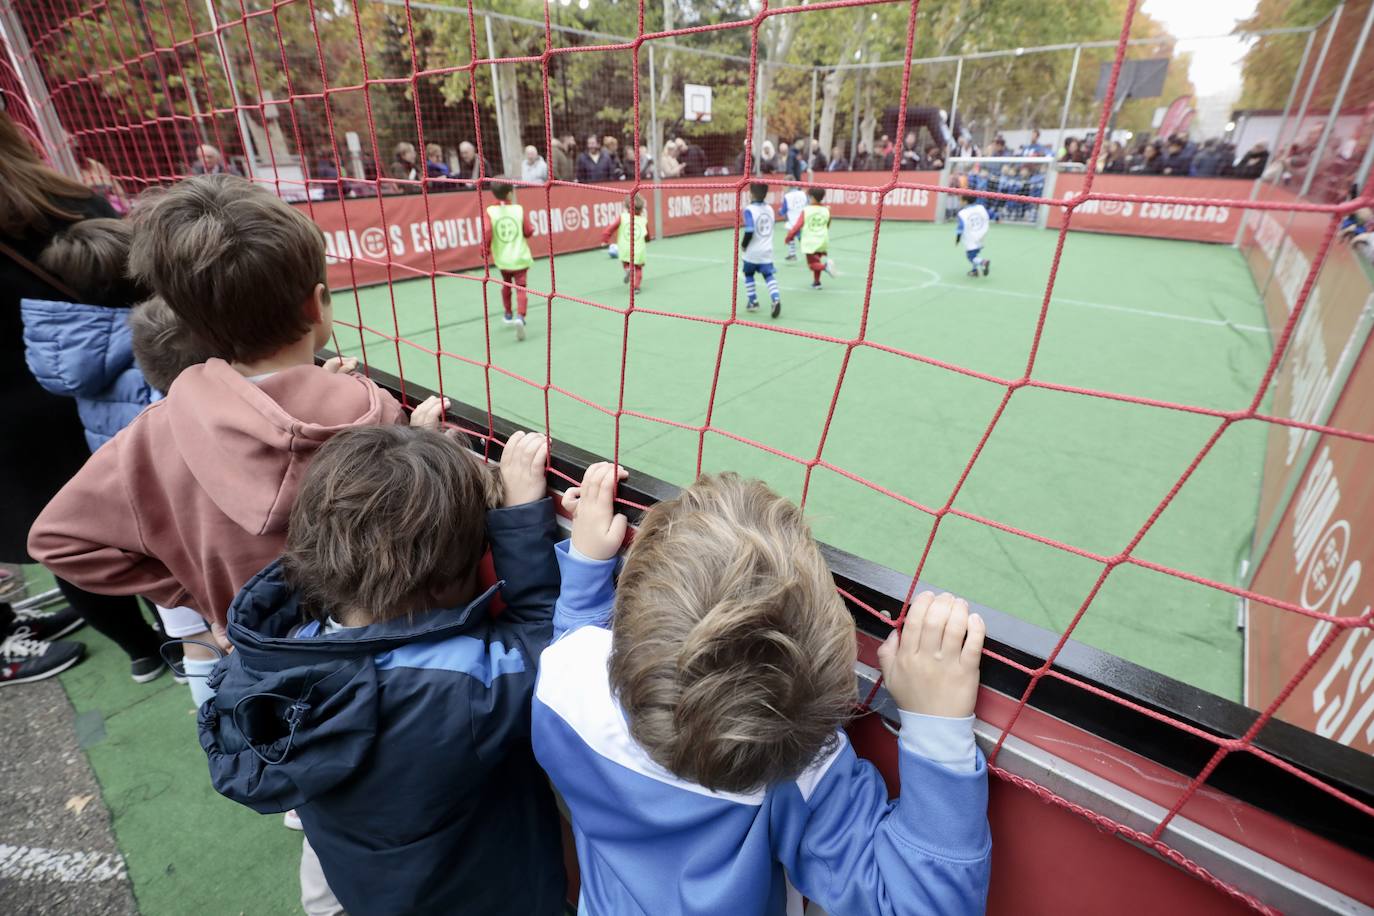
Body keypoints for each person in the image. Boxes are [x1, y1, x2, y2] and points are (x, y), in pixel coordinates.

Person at [532, 467, 992, 916]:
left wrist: (586, 570)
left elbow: (578, 647)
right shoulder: (798, 772)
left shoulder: (560, 685)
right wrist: (938, 733)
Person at [28, 174, 447, 645]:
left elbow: (56, 541)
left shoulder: (153, 437)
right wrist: (427, 444)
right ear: (318, 305)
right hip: (390, 657)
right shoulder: (378, 414)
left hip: (259, 671)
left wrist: (203, 596)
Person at [201, 425, 566, 916]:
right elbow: (542, 641)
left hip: (368, 886)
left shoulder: (273, 652)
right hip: (484, 895)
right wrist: (521, 519)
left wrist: (410, 466)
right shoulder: (456, 688)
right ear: (445, 582)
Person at [0, 110, 163, 688]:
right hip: (114, 387)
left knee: (66, 535)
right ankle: (176, 623)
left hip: (19, 422)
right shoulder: (75, 204)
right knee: (146, 515)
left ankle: (143, 649)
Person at [482, 181, 535, 342]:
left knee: (506, 285)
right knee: (521, 287)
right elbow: (528, 231)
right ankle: (520, 316)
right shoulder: (518, 209)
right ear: (510, 193)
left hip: (503, 259)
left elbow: (487, 232)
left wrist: (484, 250)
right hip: (520, 257)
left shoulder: (490, 211)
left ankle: (508, 313)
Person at [740, 182, 782, 319]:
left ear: (751, 193)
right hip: (767, 250)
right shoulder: (770, 209)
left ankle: (753, 301)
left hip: (752, 251)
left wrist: (744, 244)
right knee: (769, 275)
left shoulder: (749, 210)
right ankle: (775, 298)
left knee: (749, 274)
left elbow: (750, 230)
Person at [784, 186, 836, 290]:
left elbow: (798, 226)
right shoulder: (826, 210)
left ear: (811, 197)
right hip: (822, 240)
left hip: (810, 241)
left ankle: (825, 267)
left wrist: (789, 237)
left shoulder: (806, 210)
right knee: (816, 260)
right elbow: (828, 225)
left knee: (812, 265)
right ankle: (817, 282)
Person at [601, 193, 649, 292]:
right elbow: (647, 236)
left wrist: (605, 239)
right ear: (642, 208)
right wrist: (647, 240)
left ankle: (627, 269)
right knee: (638, 268)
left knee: (626, 261)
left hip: (625, 248)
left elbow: (610, 229)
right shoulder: (644, 220)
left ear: (626, 206)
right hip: (639, 249)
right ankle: (636, 287)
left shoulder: (622, 217)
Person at [955, 193, 991, 279]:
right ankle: (974, 271)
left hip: (971, 238)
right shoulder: (981, 208)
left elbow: (960, 227)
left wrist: (958, 239)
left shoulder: (963, 213)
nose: (960, 201)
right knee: (975, 254)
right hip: (982, 235)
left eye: (961, 200)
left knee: (971, 257)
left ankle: (983, 262)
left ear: (965, 201)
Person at [780, 183, 809, 261]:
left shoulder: (787, 196)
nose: (782, 187)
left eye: (783, 185)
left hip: (793, 222)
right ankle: (793, 254)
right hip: (804, 219)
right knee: (797, 237)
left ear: (787, 185)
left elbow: (783, 210)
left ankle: (808, 254)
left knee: (796, 237)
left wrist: (780, 212)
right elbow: (808, 204)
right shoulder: (803, 193)